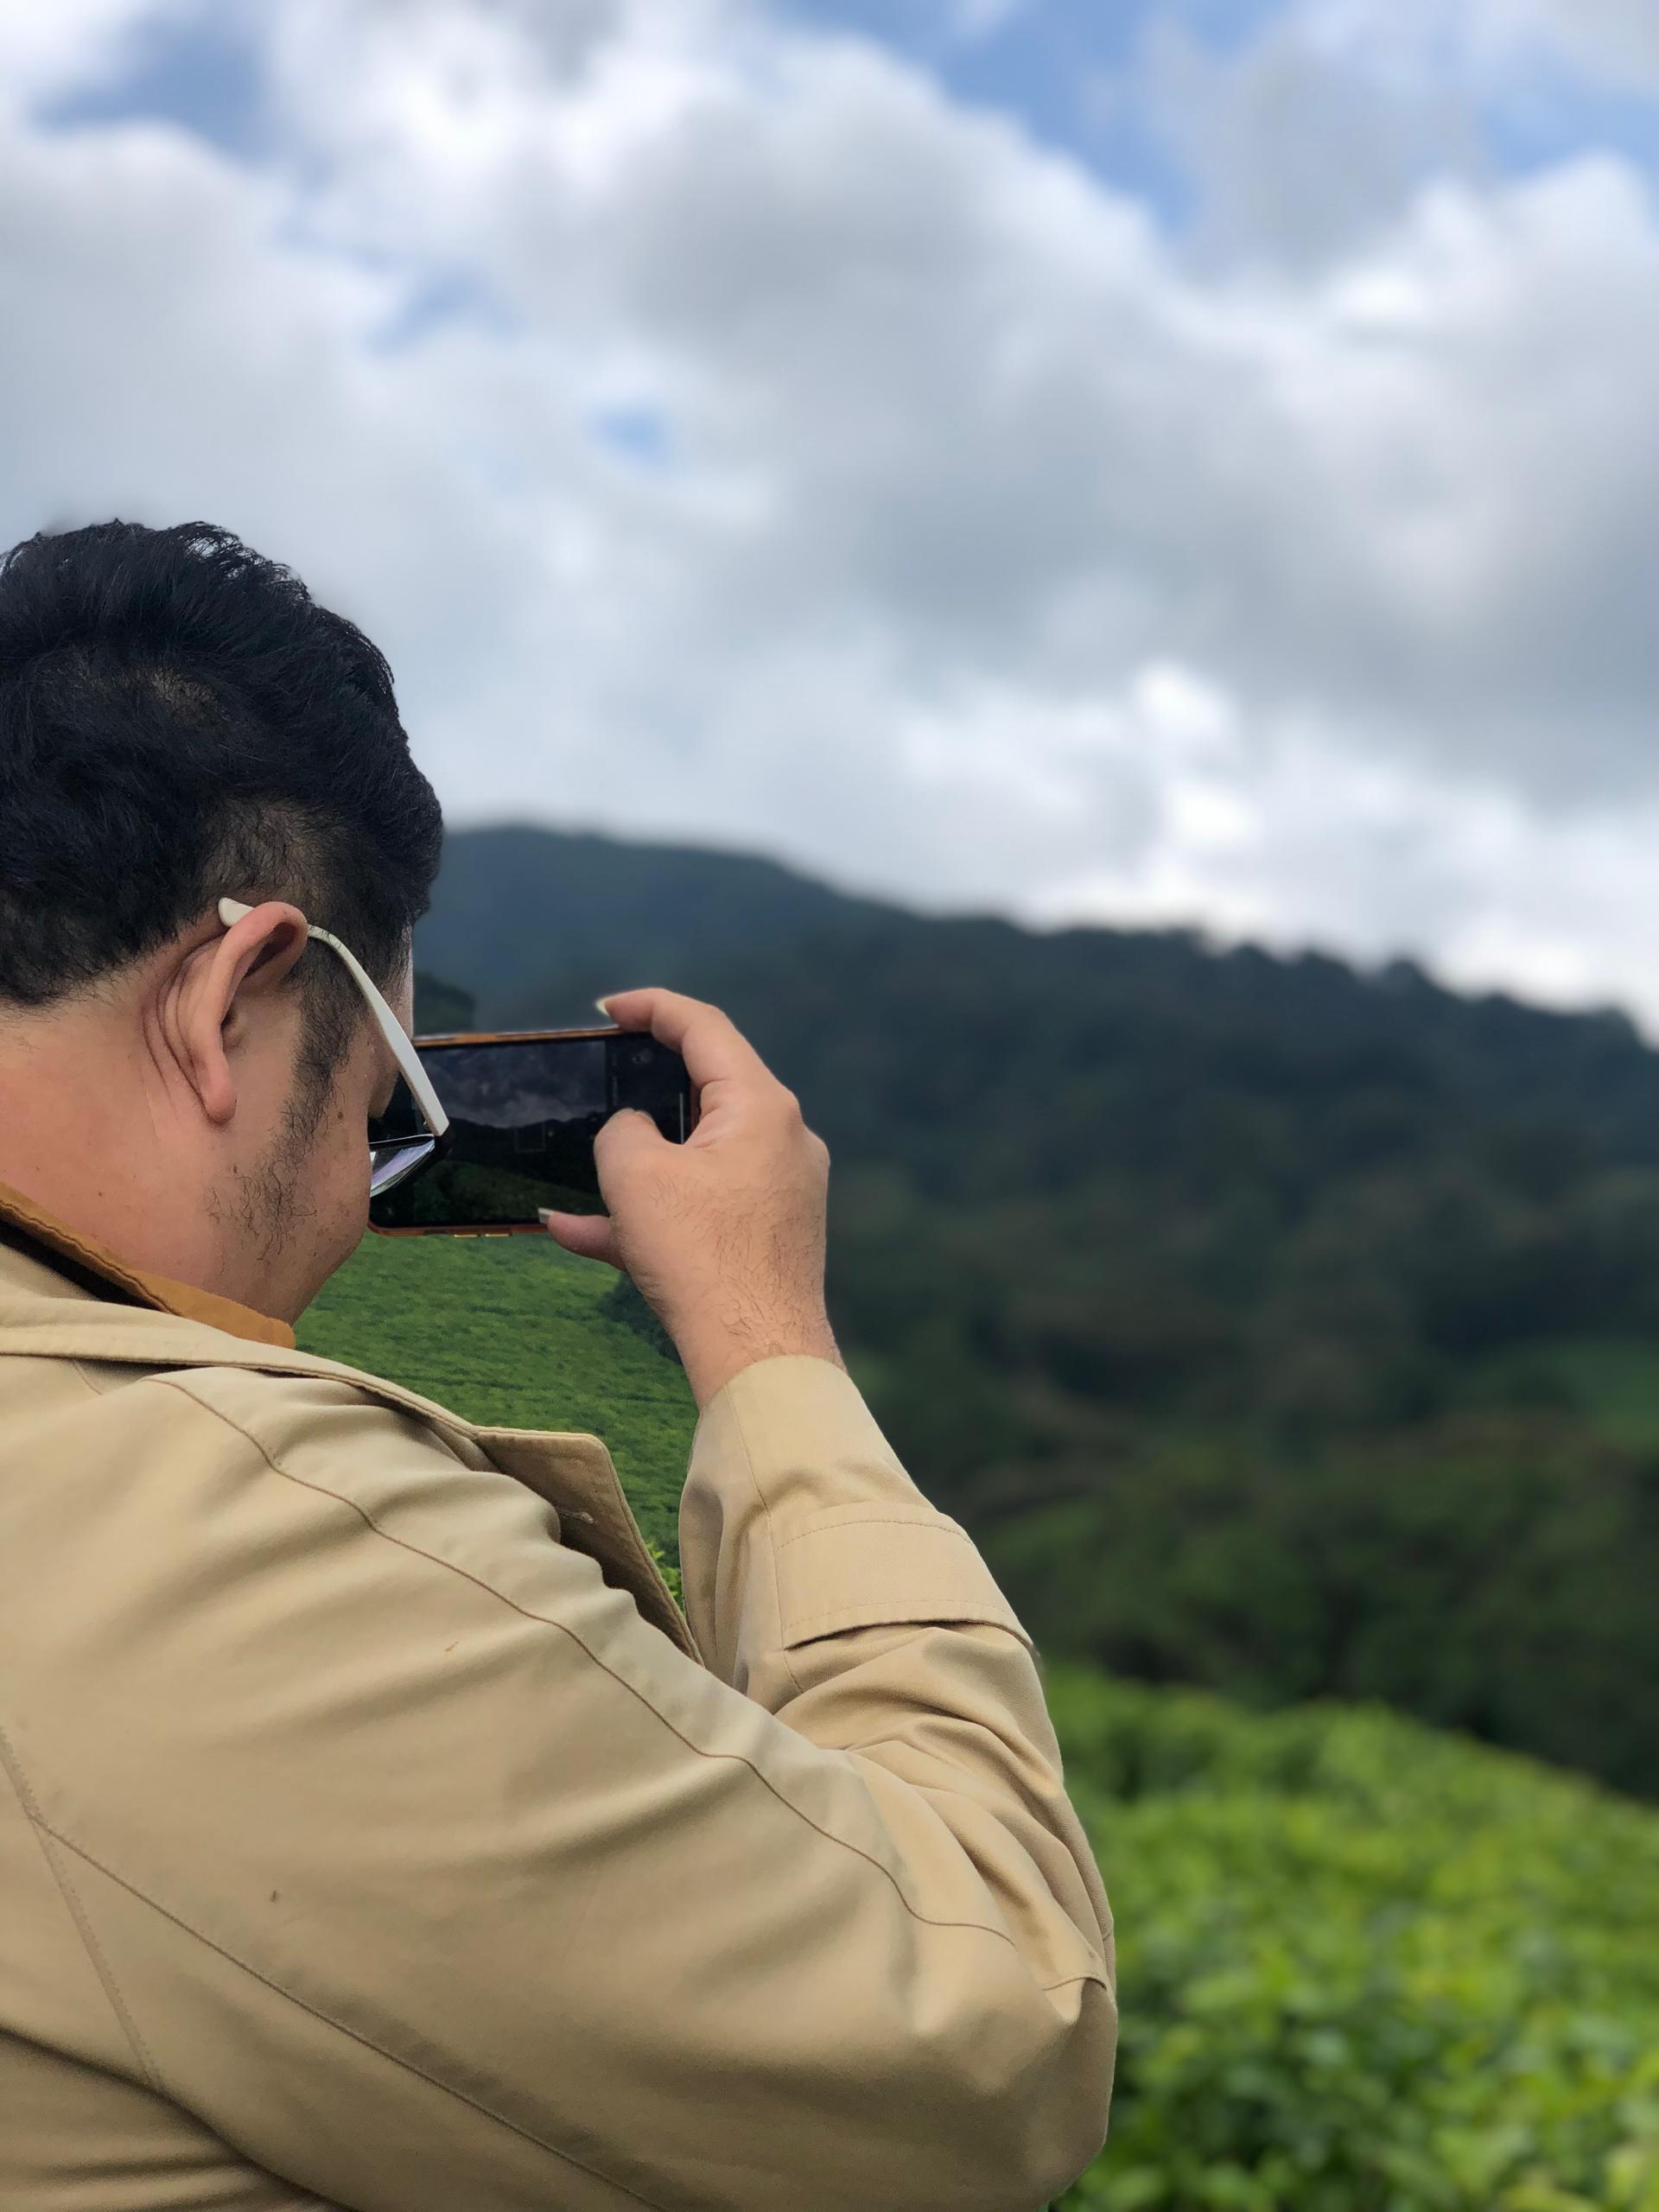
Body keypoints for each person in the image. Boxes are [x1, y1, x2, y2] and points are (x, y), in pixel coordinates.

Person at [0, 519, 1116, 2211]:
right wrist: (767, 1339)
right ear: (233, 996)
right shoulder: (220, 1539)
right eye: (378, 1101)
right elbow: (991, 2034)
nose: (353, 1215)